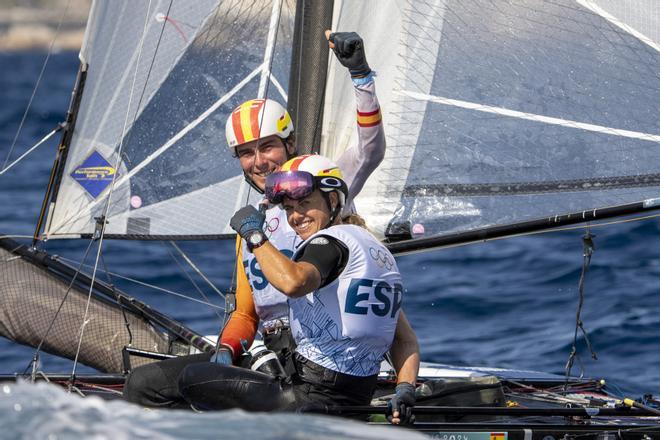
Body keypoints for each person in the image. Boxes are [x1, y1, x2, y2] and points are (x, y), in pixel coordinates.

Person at [124, 30, 389, 408]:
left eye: (267, 146)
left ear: (290, 144)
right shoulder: (250, 227)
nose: (259, 161)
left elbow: (370, 148)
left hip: (321, 362)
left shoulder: (323, 193)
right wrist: (226, 352)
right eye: (247, 153)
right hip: (269, 359)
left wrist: (361, 76)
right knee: (142, 384)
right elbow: (246, 314)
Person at [178, 155, 419, 424]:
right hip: (351, 401)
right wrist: (405, 389)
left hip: (308, 399)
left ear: (333, 201)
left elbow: (293, 282)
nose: (295, 216)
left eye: (305, 203)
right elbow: (404, 340)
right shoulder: (373, 250)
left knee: (188, 378)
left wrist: (254, 236)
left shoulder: (329, 243)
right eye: (289, 208)